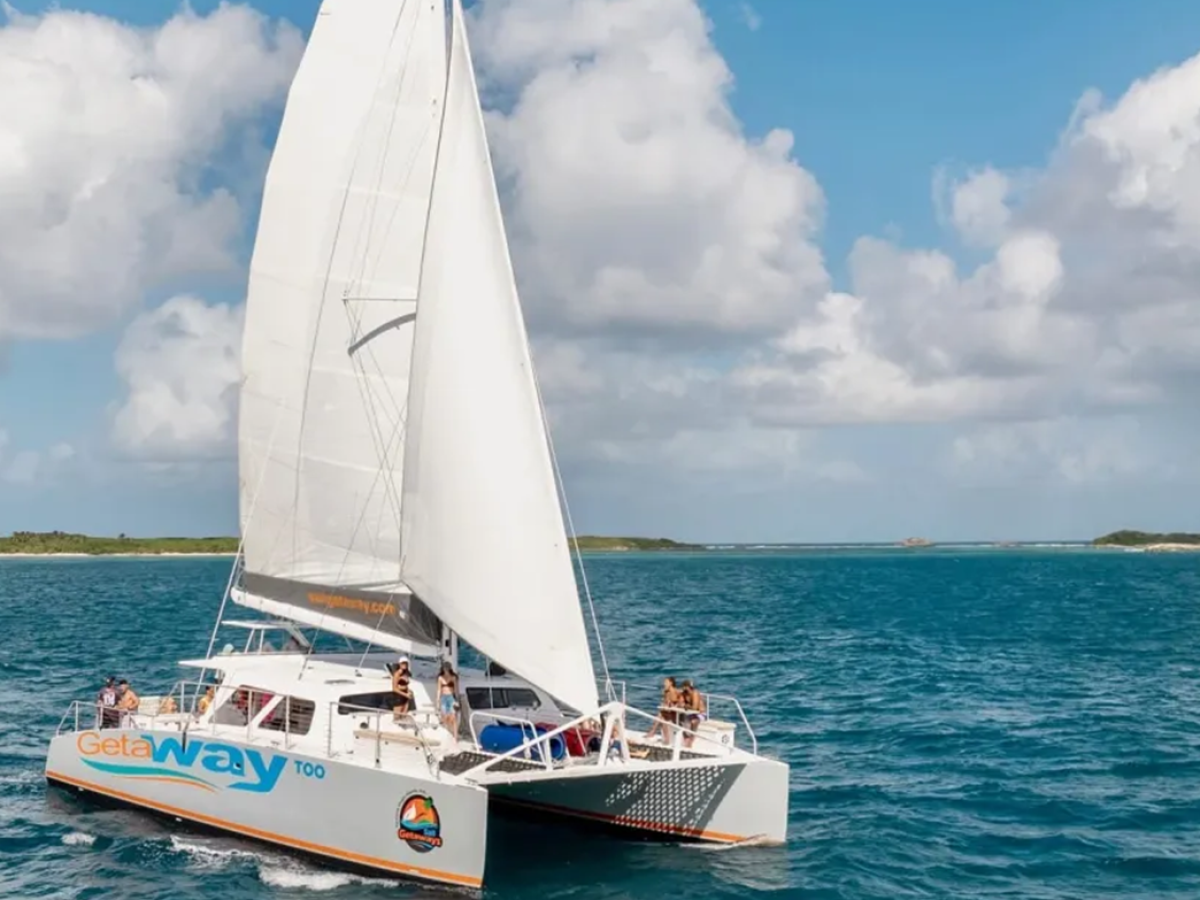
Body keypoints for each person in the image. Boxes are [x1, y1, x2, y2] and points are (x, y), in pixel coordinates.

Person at [644, 676, 681, 743]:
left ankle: (654, 733)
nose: (664, 684)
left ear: (671, 683)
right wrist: (664, 705)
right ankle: (655, 733)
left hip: (674, 713)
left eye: (666, 682)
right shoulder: (666, 691)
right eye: (664, 682)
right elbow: (665, 702)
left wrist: (667, 706)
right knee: (661, 716)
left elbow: (674, 704)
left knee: (662, 717)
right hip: (667, 712)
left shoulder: (673, 691)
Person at [679, 679, 706, 748]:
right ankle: (686, 738)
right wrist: (685, 705)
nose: (683, 688)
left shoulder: (695, 693)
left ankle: (691, 740)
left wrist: (686, 706)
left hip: (700, 714)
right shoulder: (684, 694)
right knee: (679, 718)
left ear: (687, 687)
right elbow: (680, 704)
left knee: (694, 721)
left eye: (684, 686)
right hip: (690, 713)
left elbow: (695, 707)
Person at [436, 661, 460, 737]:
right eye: (444, 668)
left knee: (453, 718)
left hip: (451, 697)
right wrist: (437, 700)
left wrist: (457, 700)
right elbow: (439, 689)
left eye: (447, 668)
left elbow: (456, 689)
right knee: (445, 717)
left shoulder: (453, 677)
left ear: (449, 668)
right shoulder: (440, 678)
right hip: (443, 698)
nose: (446, 669)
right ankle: (448, 735)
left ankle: (455, 737)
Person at [391, 657, 414, 722]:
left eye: (406, 663)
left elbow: (405, 685)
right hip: (399, 695)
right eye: (403, 663)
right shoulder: (397, 674)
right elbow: (394, 688)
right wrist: (405, 694)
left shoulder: (405, 673)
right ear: (400, 664)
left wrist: (408, 691)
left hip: (405, 696)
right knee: (397, 715)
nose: (405, 665)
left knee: (404, 714)